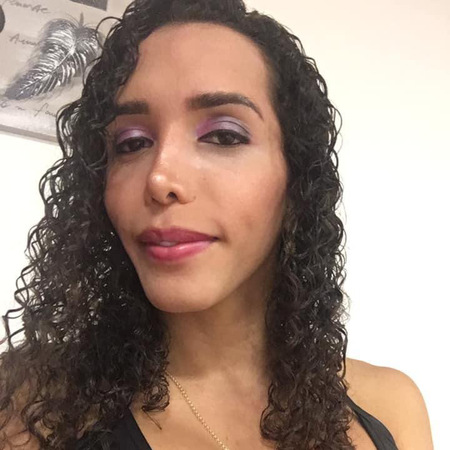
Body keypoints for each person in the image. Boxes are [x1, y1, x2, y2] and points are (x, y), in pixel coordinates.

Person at [0, 0, 433, 449]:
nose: (160, 178)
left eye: (224, 136)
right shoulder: (27, 410)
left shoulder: (391, 406)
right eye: (131, 143)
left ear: (297, 179)